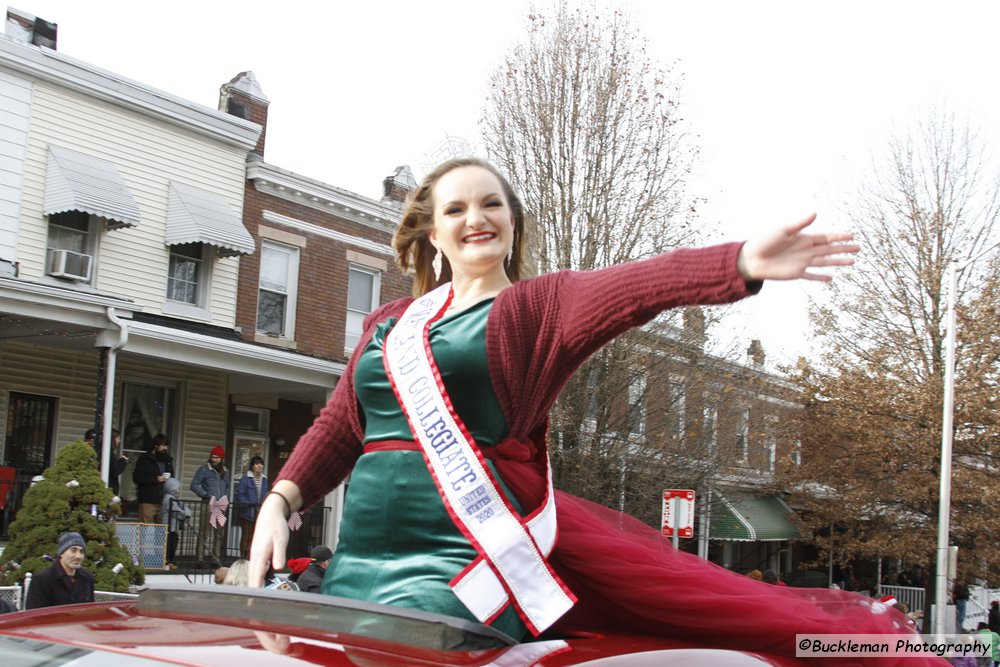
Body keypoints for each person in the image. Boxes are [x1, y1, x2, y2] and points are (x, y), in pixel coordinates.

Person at [247, 158, 931, 665]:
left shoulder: (532, 308)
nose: (475, 218)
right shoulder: (390, 322)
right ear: (432, 231)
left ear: (512, 224)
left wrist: (742, 260)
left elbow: (637, 286)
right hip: (359, 560)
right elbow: (340, 424)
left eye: (492, 204)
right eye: (455, 209)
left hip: (461, 567)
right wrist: (280, 499)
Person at [25, 532, 95, 609]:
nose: (78, 556)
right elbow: (34, 615)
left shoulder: (87, 579)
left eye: (81, 551)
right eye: (73, 550)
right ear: (61, 553)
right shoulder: (42, 579)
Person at [190, 446, 231, 561]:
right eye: (212, 457)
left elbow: (228, 486)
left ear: (221, 458)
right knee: (204, 532)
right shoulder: (204, 469)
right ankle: (200, 558)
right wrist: (206, 495)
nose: (214, 459)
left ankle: (216, 558)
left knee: (219, 533)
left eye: (217, 457)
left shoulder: (226, 471)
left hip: (221, 504)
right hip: (208, 504)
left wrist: (225, 497)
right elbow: (193, 485)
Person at [132, 434, 174, 523]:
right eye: (163, 445)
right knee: (142, 529)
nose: (165, 448)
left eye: (166, 445)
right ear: (156, 445)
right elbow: (137, 477)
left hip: (163, 501)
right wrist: (156, 479)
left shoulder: (168, 460)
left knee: (162, 531)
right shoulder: (144, 459)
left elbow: (172, 477)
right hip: (147, 501)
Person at [234, 456, 268, 559]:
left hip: (259, 512)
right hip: (247, 512)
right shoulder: (246, 479)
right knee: (246, 536)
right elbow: (239, 495)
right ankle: (243, 558)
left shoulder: (264, 479)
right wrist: (248, 503)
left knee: (255, 537)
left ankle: (251, 558)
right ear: (252, 466)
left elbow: (265, 495)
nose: (259, 466)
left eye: (261, 464)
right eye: (257, 464)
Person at [160, 477, 192, 569]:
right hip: (169, 527)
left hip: (174, 527)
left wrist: (186, 512)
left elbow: (184, 507)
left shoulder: (175, 498)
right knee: (170, 544)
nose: (178, 490)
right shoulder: (168, 499)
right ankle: (168, 562)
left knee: (174, 543)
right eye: (177, 488)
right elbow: (175, 512)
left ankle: (171, 561)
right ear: (171, 488)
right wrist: (185, 514)